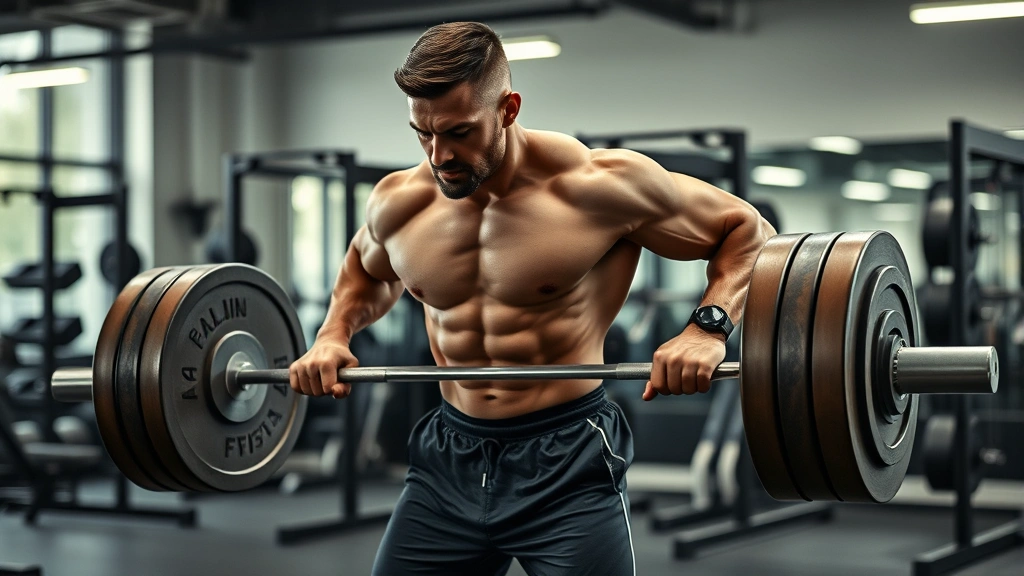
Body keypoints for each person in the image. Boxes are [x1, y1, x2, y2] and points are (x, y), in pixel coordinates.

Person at [289, 21, 773, 576]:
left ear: (508, 109)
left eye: (459, 132)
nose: (438, 154)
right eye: (422, 133)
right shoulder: (400, 200)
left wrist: (706, 330)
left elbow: (748, 230)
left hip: (566, 457)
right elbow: (366, 271)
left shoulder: (596, 187)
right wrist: (332, 335)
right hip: (449, 454)